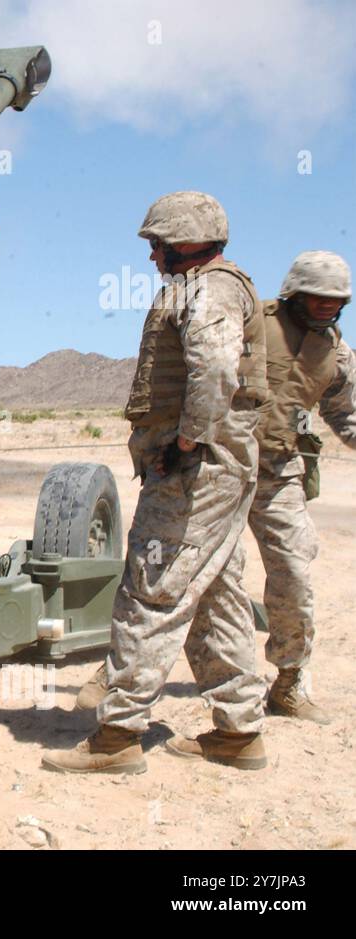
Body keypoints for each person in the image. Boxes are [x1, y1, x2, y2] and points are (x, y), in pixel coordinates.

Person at [43, 191, 269, 774]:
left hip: (196, 473)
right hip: (224, 470)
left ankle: (117, 737)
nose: (152, 256)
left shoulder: (210, 290)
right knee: (218, 596)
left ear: (184, 240)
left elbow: (215, 368)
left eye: (157, 244)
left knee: (150, 589)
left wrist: (187, 441)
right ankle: (239, 732)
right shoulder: (219, 285)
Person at [247, 250, 355, 723]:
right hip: (218, 467)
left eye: (335, 302)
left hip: (280, 474)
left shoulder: (335, 349)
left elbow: (346, 413)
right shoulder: (251, 321)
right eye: (317, 300)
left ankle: (289, 683)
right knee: (178, 574)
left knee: (293, 573)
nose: (326, 309)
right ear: (295, 292)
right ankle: (124, 676)